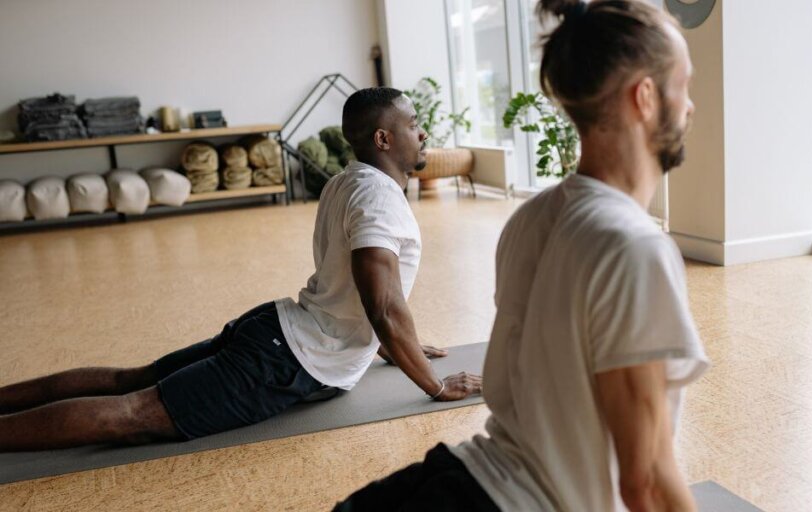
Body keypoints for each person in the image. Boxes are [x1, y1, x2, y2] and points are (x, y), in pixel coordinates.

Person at [335, 1, 709, 511]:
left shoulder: (532, 218)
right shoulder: (635, 247)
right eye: (683, 87)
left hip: (458, 477)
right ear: (644, 97)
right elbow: (644, 483)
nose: (690, 107)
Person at [0, 87, 483, 452]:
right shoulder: (380, 198)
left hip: (275, 327)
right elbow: (382, 304)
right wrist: (434, 384)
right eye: (414, 123)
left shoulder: (349, 181)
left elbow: (353, 289)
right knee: (132, 413)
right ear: (383, 137)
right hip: (285, 360)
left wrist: (393, 347)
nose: (423, 132)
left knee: (129, 380)